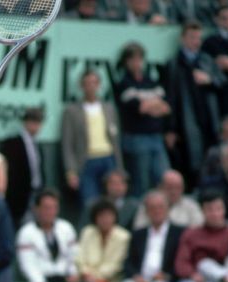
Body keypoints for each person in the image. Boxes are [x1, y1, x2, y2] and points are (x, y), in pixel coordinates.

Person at [165, 20, 226, 189]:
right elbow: (170, 98)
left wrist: (210, 80)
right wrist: (171, 128)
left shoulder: (206, 60)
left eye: (198, 38)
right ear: (183, 38)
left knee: (211, 160)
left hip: (209, 119)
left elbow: (222, 83)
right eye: (192, 37)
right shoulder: (174, 64)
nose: (196, 42)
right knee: (189, 162)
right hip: (185, 122)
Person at [114, 42, 170, 198]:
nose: (137, 63)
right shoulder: (124, 83)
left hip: (156, 137)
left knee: (164, 178)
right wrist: (153, 104)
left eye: (139, 59)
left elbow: (165, 108)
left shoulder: (151, 81)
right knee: (141, 184)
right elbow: (140, 108)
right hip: (136, 139)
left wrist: (147, 104)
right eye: (133, 59)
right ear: (126, 62)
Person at [62, 69, 124, 208]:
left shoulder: (109, 108)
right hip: (86, 161)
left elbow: (116, 140)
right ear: (81, 86)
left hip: (109, 159)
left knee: (114, 202)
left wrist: (119, 167)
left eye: (94, 83)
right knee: (90, 203)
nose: (91, 86)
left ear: (99, 85)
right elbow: (67, 143)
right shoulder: (72, 110)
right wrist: (71, 171)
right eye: (87, 83)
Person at [174, 189, 228, 282]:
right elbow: (182, 262)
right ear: (202, 211)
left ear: (224, 210)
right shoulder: (190, 234)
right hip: (194, 280)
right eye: (209, 209)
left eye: (218, 209)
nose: (215, 214)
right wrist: (192, 275)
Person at [16, 189, 80, 282]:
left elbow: (74, 257)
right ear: (36, 209)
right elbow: (28, 266)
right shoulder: (26, 233)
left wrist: (72, 276)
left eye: (53, 207)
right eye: (46, 208)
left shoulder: (66, 228)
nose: (50, 212)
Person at [122, 190, 185, 282]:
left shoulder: (179, 233)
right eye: (152, 208)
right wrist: (135, 276)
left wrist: (166, 276)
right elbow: (129, 261)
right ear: (146, 211)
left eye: (160, 207)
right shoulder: (138, 234)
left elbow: (181, 260)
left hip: (164, 281)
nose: (157, 211)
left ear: (168, 209)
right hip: (140, 279)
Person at [0, 107, 44, 230]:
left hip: (35, 192)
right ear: (26, 122)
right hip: (18, 195)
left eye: (38, 123)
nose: (36, 126)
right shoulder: (13, 143)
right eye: (33, 122)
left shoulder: (37, 144)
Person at [75, 198, 131, 282]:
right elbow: (80, 257)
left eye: (109, 216)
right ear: (95, 217)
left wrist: (96, 278)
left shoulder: (124, 236)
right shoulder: (87, 232)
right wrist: (86, 274)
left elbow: (116, 265)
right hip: (86, 281)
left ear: (115, 217)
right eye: (101, 216)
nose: (105, 219)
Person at [132, 168, 204, 228]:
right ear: (160, 187)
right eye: (170, 187)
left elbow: (199, 230)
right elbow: (139, 229)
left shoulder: (191, 206)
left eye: (178, 187)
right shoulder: (149, 203)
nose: (174, 192)